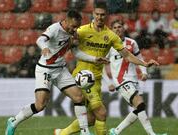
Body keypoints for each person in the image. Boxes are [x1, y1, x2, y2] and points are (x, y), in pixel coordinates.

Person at [55, 2, 159, 135]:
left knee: (92, 118)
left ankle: (61, 133)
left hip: (96, 79)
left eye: (102, 15)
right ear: (93, 14)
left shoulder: (111, 36)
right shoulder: (82, 31)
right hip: (83, 76)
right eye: (97, 14)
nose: (99, 17)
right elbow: (67, 42)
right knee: (102, 113)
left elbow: (126, 54)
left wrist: (144, 64)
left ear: (106, 15)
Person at [5, 10, 109, 135]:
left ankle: (84, 131)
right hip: (45, 69)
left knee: (79, 97)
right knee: (40, 105)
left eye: (77, 27)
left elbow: (75, 52)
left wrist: (94, 59)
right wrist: (44, 48)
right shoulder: (55, 28)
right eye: (73, 26)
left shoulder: (73, 34)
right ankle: (14, 121)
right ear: (66, 21)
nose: (75, 29)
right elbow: (40, 40)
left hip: (60, 70)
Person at [107, 20, 167, 135]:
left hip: (134, 79)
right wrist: (108, 81)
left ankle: (115, 131)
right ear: (111, 30)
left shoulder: (132, 43)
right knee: (140, 104)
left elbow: (139, 58)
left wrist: (144, 72)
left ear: (123, 28)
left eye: (119, 26)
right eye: (114, 27)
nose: (117, 29)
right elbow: (102, 63)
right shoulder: (109, 45)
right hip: (121, 80)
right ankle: (151, 134)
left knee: (138, 108)